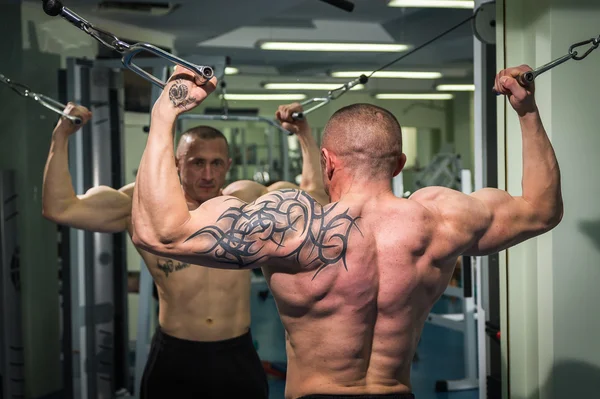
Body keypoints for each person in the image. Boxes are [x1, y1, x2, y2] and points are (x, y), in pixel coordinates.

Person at [131, 65, 563, 399]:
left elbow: (162, 234)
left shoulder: (293, 224)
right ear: (398, 164)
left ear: (327, 161)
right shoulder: (440, 220)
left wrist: (165, 112)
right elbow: (542, 211)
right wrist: (526, 111)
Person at [42, 100, 326, 398]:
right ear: (177, 164)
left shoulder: (249, 201)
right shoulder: (143, 205)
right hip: (176, 355)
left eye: (216, 163)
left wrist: (304, 134)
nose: (207, 174)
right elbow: (60, 208)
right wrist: (61, 135)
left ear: (228, 165)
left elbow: (316, 199)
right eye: (196, 162)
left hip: (236, 354)